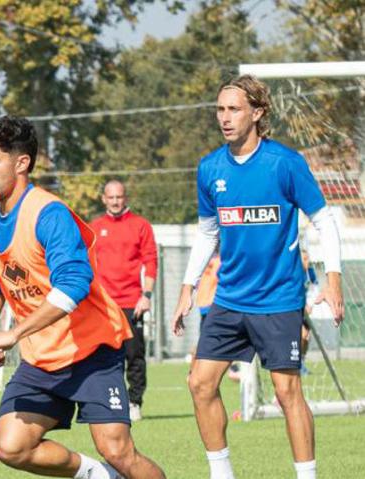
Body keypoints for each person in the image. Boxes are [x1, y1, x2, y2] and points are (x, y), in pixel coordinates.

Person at [0, 115, 166, 479]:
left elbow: (74, 284)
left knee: (119, 451)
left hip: (93, 351)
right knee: (11, 446)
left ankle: (113, 469)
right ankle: (97, 475)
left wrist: (13, 334)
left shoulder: (49, 214)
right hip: (42, 359)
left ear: (22, 163)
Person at [170, 75, 343, 479]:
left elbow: (325, 222)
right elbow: (208, 233)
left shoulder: (285, 163)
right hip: (229, 300)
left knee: (287, 393)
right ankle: (222, 473)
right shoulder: (210, 167)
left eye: (234, 109)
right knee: (200, 383)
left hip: (278, 301)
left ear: (257, 113)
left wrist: (333, 282)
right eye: (219, 109)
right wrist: (186, 288)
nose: (225, 118)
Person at [90, 180, 158, 421]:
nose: (116, 201)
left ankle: (134, 401)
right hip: (104, 306)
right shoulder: (95, 228)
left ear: (125, 197)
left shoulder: (140, 226)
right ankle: (111, 400)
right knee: (106, 357)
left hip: (132, 303)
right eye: (111, 197)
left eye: (119, 197)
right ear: (104, 199)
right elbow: (89, 265)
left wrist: (146, 296)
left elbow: (151, 262)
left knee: (134, 355)